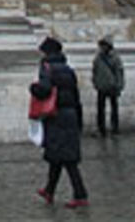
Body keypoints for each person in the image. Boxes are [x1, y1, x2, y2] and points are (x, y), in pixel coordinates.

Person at [32, 35, 88, 208]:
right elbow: (76, 97)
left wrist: (33, 88)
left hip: (56, 115)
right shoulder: (69, 69)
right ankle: (49, 190)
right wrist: (79, 120)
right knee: (57, 155)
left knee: (67, 159)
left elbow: (44, 89)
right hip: (70, 115)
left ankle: (80, 195)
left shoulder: (47, 68)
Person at [91, 36, 124, 136]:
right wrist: (95, 83)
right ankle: (102, 129)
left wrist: (119, 85)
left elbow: (119, 72)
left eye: (104, 45)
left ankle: (115, 128)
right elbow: (94, 71)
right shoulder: (98, 58)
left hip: (112, 86)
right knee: (101, 109)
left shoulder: (115, 58)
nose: (102, 48)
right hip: (101, 87)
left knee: (114, 108)